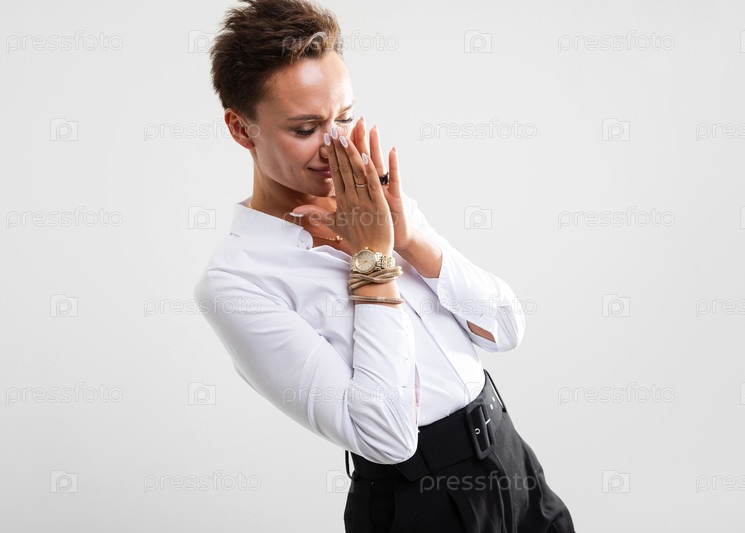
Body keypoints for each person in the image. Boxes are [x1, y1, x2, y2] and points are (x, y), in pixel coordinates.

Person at [194, 0, 577, 531]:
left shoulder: (373, 203)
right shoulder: (237, 282)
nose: (335, 144)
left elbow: (506, 329)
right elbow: (388, 437)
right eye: (305, 129)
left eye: (344, 118)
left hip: (512, 463)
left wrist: (410, 237)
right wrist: (372, 261)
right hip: (421, 504)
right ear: (241, 129)